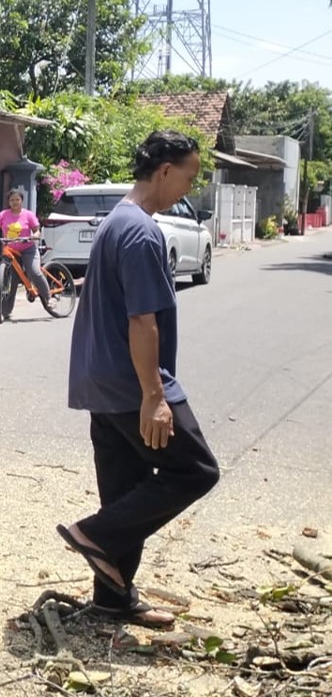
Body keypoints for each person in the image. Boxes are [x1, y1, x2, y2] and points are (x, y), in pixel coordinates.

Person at [59, 130, 219, 628]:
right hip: (132, 387)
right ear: (165, 170)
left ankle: (112, 599)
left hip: (100, 385)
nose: (188, 189)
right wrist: (155, 396)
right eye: (189, 177)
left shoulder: (117, 222)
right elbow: (142, 321)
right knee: (195, 470)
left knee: (126, 487)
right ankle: (97, 534)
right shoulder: (142, 232)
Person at [0, 187, 50, 317]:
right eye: (12, 200)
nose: (15, 202)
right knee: (11, 280)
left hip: (28, 249)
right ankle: (6, 311)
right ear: (8, 202)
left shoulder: (28, 215)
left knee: (34, 271)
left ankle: (49, 298)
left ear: (22, 201)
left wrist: (35, 235)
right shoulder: (3, 214)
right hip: (11, 251)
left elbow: (37, 230)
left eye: (17, 199)